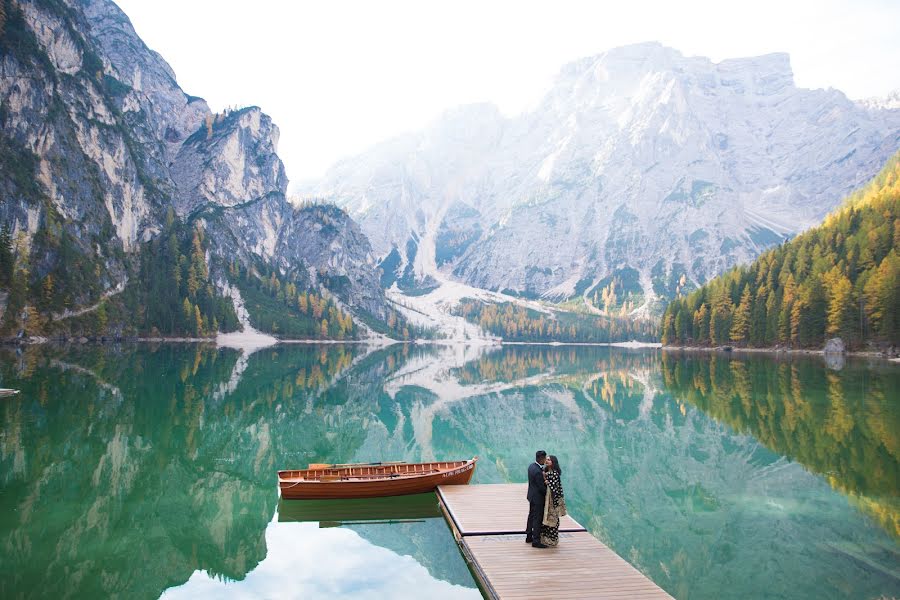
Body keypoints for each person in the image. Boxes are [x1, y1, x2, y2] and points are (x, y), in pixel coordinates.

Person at [540, 454, 566, 547]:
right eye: (546, 459)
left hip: (552, 501)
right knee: (547, 518)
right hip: (548, 499)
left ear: (553, 462)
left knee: (553, 519)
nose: (547, 461)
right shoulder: (547, 472)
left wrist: (547, 482)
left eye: (549, 460)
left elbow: (554, 488)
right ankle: (545, 538)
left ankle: (552, 539)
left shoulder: (554, 473)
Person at [526, 450, 548, 548]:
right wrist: (548, 491)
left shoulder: (531, 466)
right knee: (537, 519)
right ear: (541, 458)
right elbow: (542, 488)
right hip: (538, 498)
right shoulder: (538, 472)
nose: (545, 461)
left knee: (531, 516)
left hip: (531, 496)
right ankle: (536, 541)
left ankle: (529, 536)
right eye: (544, 459)